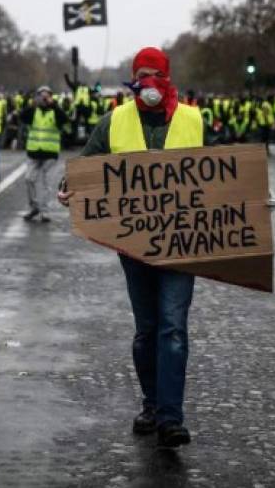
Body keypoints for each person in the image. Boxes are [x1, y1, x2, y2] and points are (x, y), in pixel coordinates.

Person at [59, 47, 202, 448]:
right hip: (134, 245)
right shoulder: (114, 121)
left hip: (183, 243)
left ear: (168, 78)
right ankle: (152, 404)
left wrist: (258, 196)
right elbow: (87, 168)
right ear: (132, 78)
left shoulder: (194, 119)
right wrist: (69, 189)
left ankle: (171, 418)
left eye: (156, 74)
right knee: (147, 330)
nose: (149, 81)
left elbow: (225, 172)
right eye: (142, 74)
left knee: (173, 327)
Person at [20, 85, 68, 222]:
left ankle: (45, 212)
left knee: (46, 183)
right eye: (41, 95)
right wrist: (32, 105)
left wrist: (54, 106)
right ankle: (34, 207)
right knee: (29, 179)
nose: (44, 98)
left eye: (47, 96)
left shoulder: (55, 111)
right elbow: (22, 117)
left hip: (50, 154)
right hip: (34, 153)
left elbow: (65, 120)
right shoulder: (33, 111)